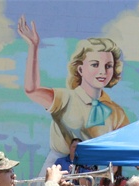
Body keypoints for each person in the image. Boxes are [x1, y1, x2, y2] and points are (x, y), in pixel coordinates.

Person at [17, 16, 129, 174]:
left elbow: (129, 147)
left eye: (108, 66)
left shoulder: (116, 112)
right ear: (80, 69)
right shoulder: (65, 98)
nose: (103, 71)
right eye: (95, 64)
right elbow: (32, 90)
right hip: (59, 169)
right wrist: (33, 47)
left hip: (94, 174)